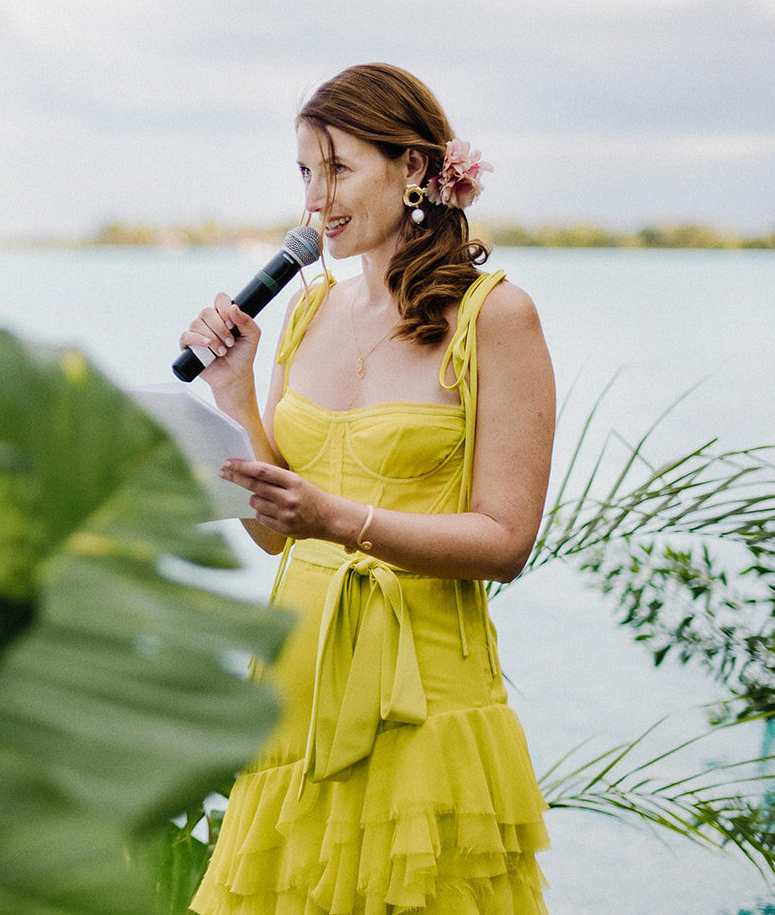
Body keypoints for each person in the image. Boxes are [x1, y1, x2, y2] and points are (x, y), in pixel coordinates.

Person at [182, 64, 554, 913]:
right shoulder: (306, 312)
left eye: (339, 169)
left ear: (417, 169)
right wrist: (233, 392)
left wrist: (336, 517)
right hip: (295, 689)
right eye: (306, 174)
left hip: (424, 699)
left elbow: (505, 543)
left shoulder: (497, 317)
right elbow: (277, 532)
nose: (316, 200)